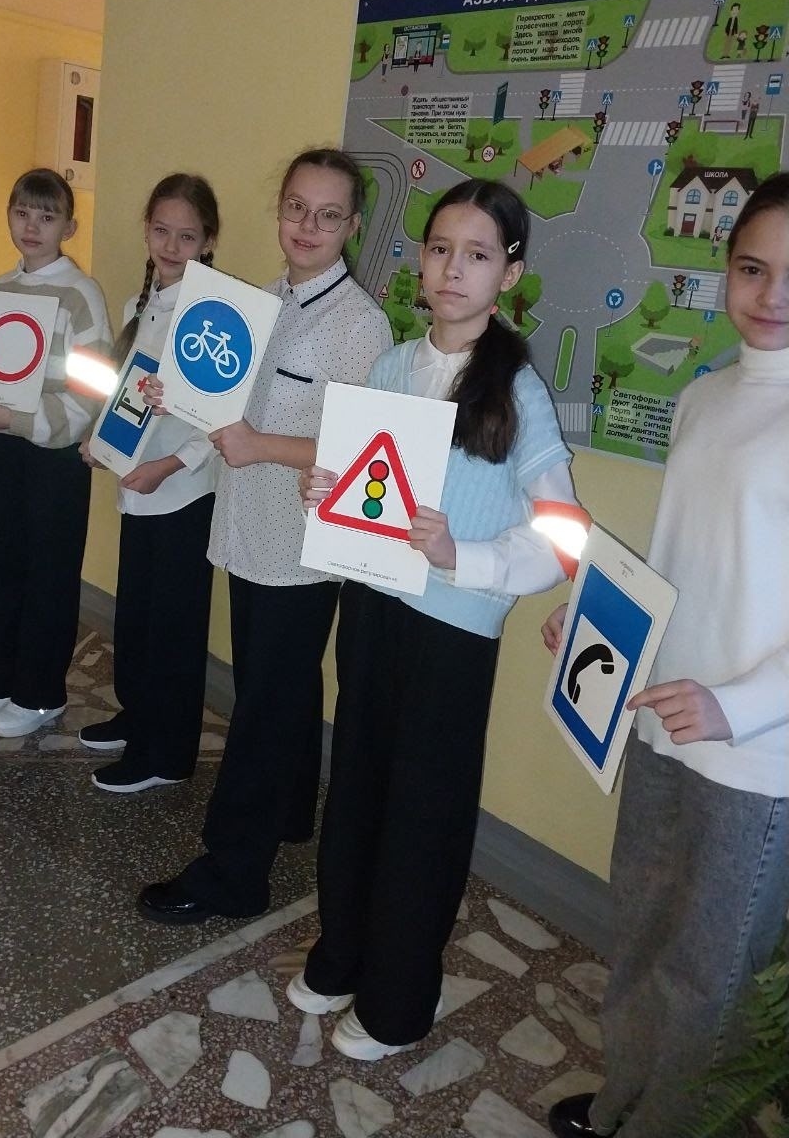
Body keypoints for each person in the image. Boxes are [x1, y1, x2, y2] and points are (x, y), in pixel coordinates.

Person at [287, 178, 576, 1061]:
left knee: (424, 815)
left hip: (453, 633)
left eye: (477, 255)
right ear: (421, 258)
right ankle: (342, 954)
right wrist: (328, 493)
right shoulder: (392, 367)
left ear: (509, 274)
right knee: (356, 789)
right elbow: (368, 487)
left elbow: (564, 536)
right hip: (372, 609)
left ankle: (399, 1000)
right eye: (441, 249)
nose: (453, 270)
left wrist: (465, 557)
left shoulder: (517, 391)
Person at [542, 172, 789, 1138]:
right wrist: (600, 624)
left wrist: (742, 705)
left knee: (709, 984)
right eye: (753, 269)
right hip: (659, 725)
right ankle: (623, 1105)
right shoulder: (705, 396)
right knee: (641, 937)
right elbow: (684, 561)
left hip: (754, 758)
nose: (771, 296)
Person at [138, 147, 393, 924]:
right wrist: (175, 395)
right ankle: (288, 813)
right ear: (279, 210)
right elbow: (229, 406)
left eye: (328, 214)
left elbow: (367, 451)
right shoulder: (265, 299)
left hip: (302, 544)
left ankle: (233, 872)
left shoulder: (361, 326)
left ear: (353, 225)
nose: (307, 226)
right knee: (277, 687)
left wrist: (263, 446)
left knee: (262, 706)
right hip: (247, 524)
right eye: (296, 208)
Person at [0, 169, 112, 738]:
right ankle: (1, 682)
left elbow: (92, 389)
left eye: (47, 216)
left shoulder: (81, 293)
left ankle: (40, 694)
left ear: (68, 227)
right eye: (23, 212)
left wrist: (20, 420)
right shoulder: (2, 286)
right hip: (3, 449)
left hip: (55, 457)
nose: (32, 226)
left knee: (48, 574)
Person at [78, 174, 220, 792]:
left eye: (186, 236)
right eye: (161, 231)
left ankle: (167, 753)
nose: (171, 245)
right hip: (137, 490)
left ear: (207, 241)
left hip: (183, 494)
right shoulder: (141, 305)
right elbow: (125, 395)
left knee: (173, 630)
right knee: (136, 617)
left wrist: (167, 467)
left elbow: (218, 420)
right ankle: (139, 716)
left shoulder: (213, 316)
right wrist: (100, 441)